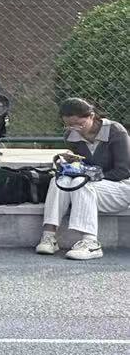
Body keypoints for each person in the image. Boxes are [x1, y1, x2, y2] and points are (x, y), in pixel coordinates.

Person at [38, 97, 130, 261]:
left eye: (79, 124)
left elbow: (123, 171)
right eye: (69, 125)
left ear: (91, 116)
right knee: (60, 180)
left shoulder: (116, 131)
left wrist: (90, 175)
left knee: (81, 183)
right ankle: (49, 236)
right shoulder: (70, 136)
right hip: (90, 188)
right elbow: (82, 166)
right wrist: (68, 163)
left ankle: (91, 243)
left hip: (121, 187)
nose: (75, 129)